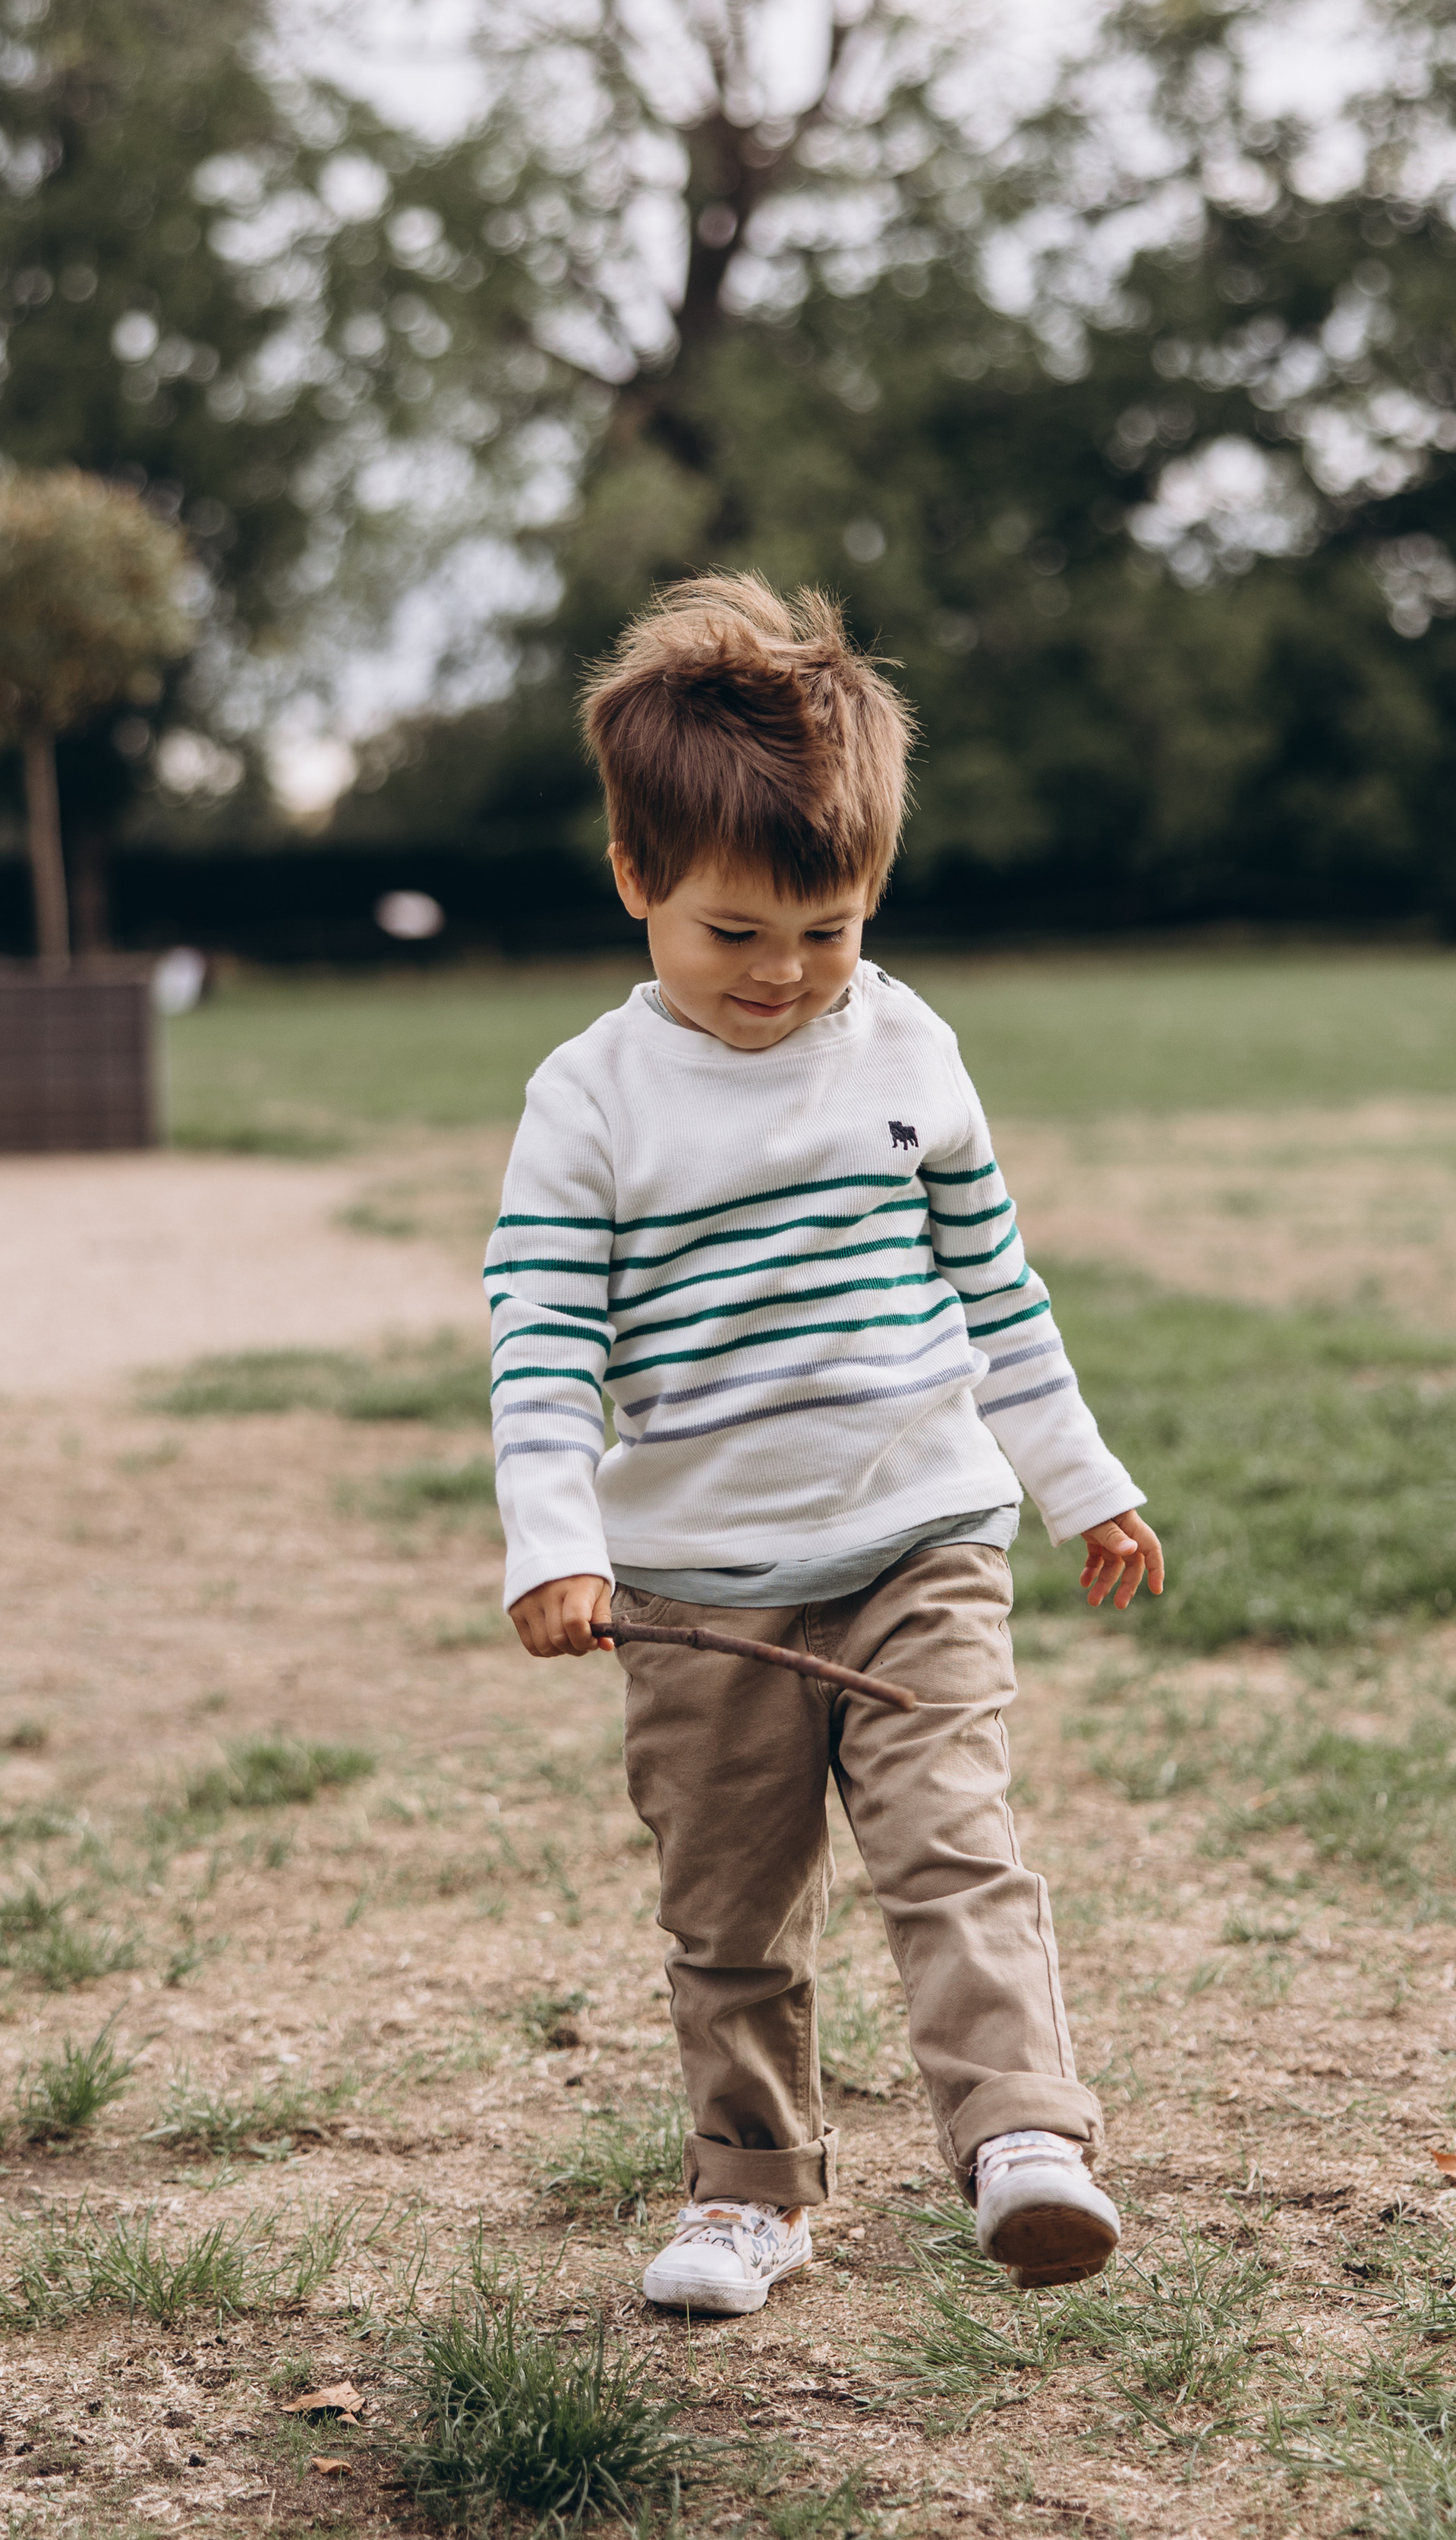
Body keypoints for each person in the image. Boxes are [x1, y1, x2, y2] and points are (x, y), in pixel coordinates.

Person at [489, 571, 1164, 2318]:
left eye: (829, 929)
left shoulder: (911, 1050)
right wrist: (550, 1540)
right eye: (734, 934)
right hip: (702, 1592)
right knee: (725, 1916)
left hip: (915, 1543)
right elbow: (545, 1350)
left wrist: (1079, 1484)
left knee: (953, 1847)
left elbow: (998, 1293)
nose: (783, 976)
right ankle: (751, 2193)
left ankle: (1022, 2140)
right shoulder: (590, 1102)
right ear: (636, 879)